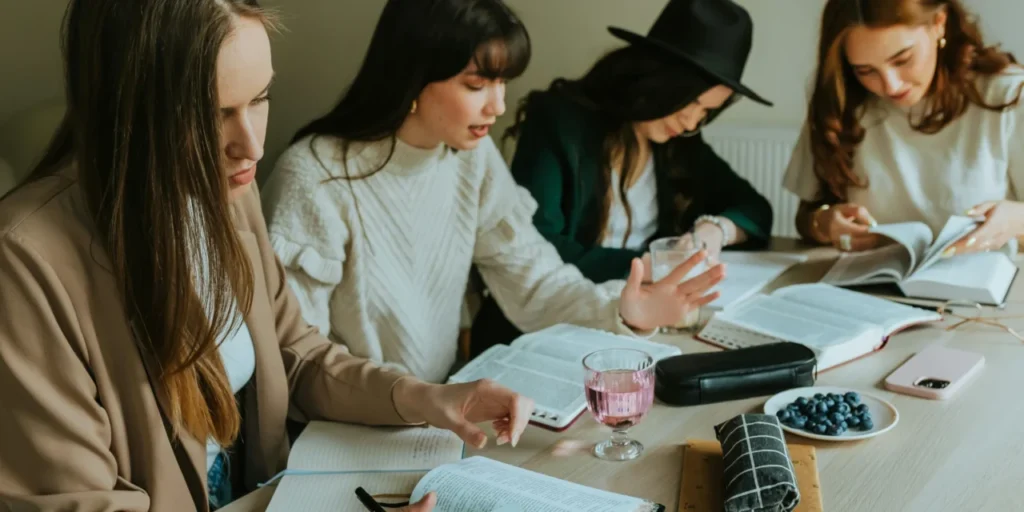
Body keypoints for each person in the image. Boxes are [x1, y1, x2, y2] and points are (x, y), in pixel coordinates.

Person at [0, 2, 533, 511]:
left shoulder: (230, 191)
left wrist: (423, 399)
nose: (252, 145)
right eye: (213, 113)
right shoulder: (24, 263)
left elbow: (293, 352)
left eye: (260, 97)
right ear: (127, 110)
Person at [261, 0, 726, 385]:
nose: (498, 106)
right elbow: (301, 360)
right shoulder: (315, 175)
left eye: (502, 83)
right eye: (476, 85)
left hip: (439, 410)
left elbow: (533, 281)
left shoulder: (471, 157)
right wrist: (415, 401)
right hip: (349, 429)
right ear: (412, 78)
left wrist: (622, 310)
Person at [471, 0, 775, 354]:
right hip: (541, 332)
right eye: (691, 103)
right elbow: (537, 244)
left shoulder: (678, 142)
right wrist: (649, 265)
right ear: (662, 81)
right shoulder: (558, 122)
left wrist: (714, 230)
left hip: (637, 329)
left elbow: (756, 209)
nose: (694, 122)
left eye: (708, 111)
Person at [784, 0, 1024, 255]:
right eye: (865, 71)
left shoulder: (1007, 95)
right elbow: (807, 216)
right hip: (870, 285)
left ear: (939, 24)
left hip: (982, 289)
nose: (891, 86)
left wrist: (1018, 219)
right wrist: (824, 223)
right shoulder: (841, 100)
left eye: (902, 60)